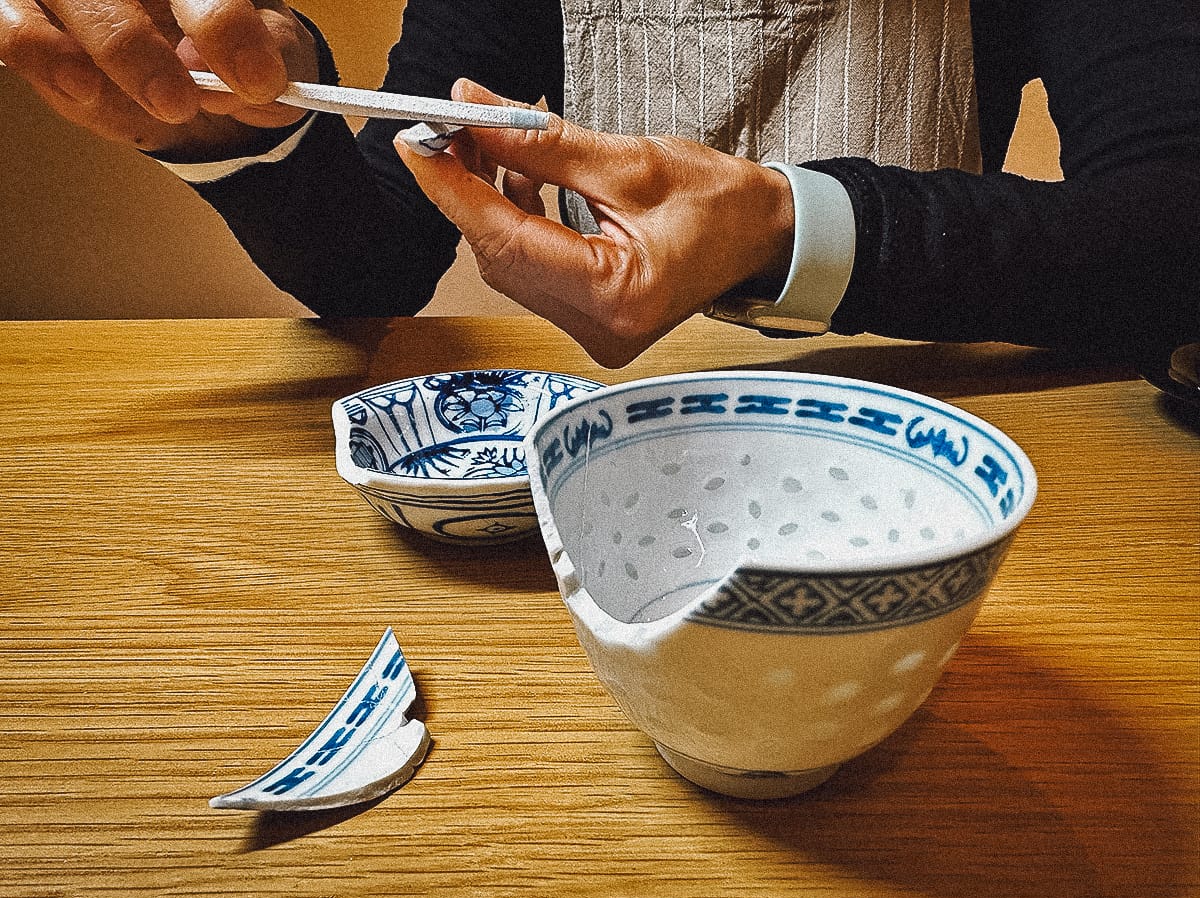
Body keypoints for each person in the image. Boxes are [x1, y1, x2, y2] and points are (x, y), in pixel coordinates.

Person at [1, 0, 1197, 369]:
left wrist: (783, 228)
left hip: (918, 456)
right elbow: (375, 260)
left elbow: (1174, 230)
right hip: (587, 469)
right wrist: (251, 119)